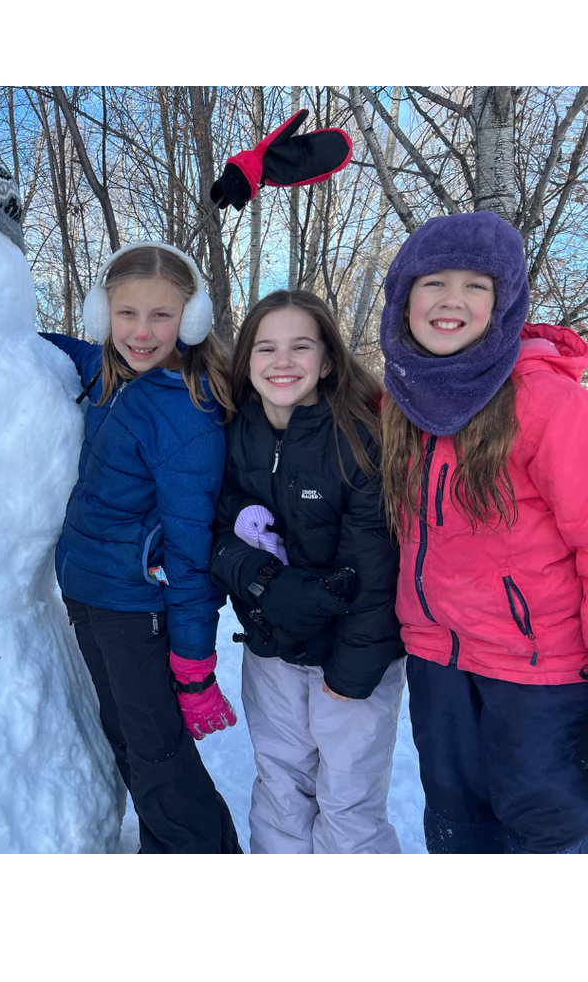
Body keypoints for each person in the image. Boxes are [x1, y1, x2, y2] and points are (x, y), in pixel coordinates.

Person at [379, 209, 588, 854]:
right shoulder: (399, 401)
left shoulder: (546, 400)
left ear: (504, 302)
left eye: (477, 285)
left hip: (537, 670)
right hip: (437, 659)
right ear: (403, 298)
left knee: (546, 824)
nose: (451, 301)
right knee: (457, 823)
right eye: (432, 282)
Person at [42, 241, 241, 854]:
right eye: (126, 313)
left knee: (159, 758)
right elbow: (70, 351)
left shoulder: (186, 411)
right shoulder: (112, 373)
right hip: (91, 595)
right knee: (127, 739)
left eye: (162, 315)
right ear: (103, 316)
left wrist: (194, 662)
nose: (143, 331)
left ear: (193, 318)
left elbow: (190, 548)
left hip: (138, 609)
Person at [210, 290, 405, 853]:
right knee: (280, 790)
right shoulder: (231, 434)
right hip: (271, 653)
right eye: (266, 348)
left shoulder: (360, 438)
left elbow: (376, 571)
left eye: (301, 346)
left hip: (352, 661)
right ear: (247, 361)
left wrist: (352, 675)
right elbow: (214, 534)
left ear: (327, 360)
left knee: (347, 803)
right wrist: (262, 581)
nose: (283, 361)